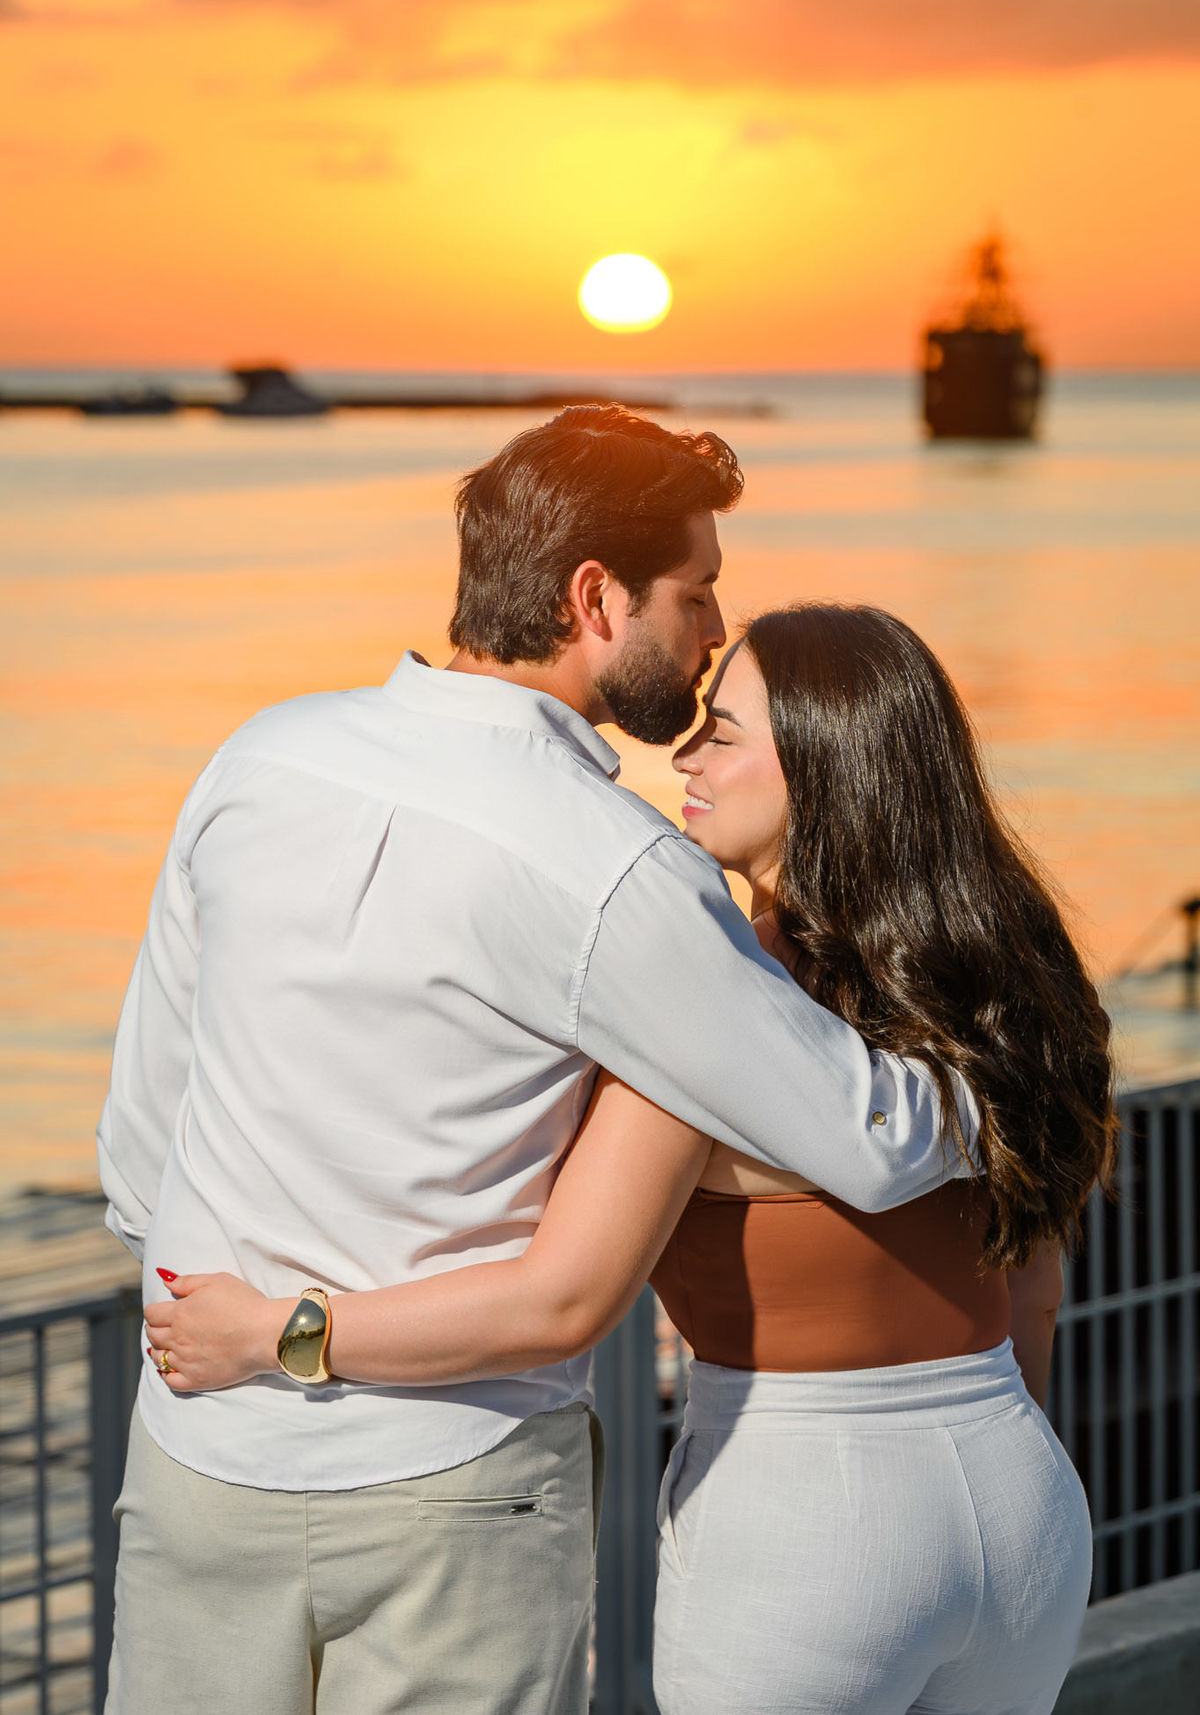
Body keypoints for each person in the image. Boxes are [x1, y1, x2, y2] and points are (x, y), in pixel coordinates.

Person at [99, 410, 979, 1715]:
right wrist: (999, 1083)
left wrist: (239, 1334)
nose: (713, 631)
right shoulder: (618, 874)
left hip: (198, 1457)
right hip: (455, 1497)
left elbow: (138, 1139)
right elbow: (871, 1136)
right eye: (697, 592)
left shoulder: (258, 759)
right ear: (595, 598)